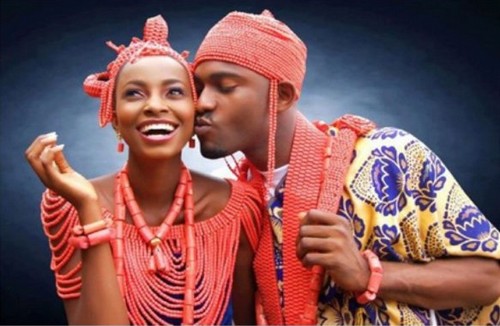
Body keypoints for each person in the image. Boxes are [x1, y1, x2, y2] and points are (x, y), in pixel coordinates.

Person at [192, 10, 500, 325]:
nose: (201, 102)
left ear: (282, 96)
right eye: (198, 88)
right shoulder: (225, 196)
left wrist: (366, 273)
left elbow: (489, 278)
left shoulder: (387, 156)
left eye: (225, 86)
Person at [24, 15, 261, 325]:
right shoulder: (69, 205)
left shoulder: (239, 208)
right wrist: (88, 208)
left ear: (194, 113)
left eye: (174, 92)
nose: (154, 106)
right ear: (114, 118)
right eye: (134, 93)